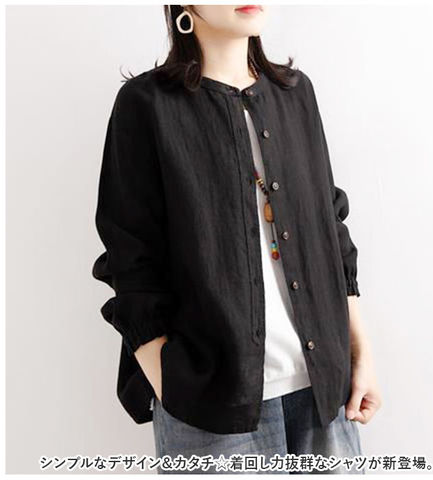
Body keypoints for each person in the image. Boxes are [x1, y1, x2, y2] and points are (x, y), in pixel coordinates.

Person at [92, 4, 382, 475]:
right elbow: (130, 254)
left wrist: (360, 354)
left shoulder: (295, 93)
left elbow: (331, 230)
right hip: (210, 407)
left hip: (324, 393)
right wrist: (171, 383)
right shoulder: (146, 105)